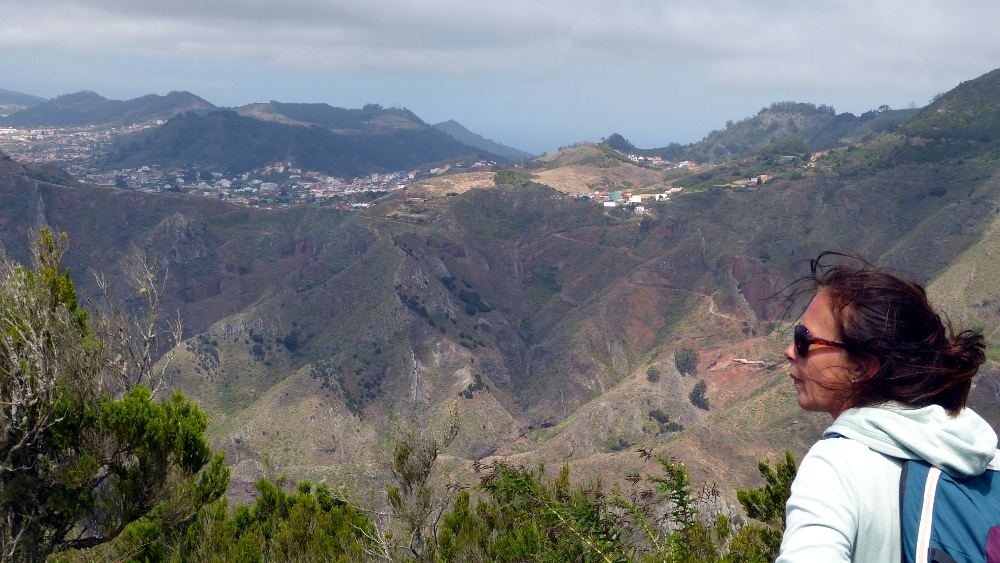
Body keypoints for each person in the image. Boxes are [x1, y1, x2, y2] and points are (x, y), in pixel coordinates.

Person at [776, 253, 1000, 563]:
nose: (790, 351)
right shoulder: (988, 462)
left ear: (862, 367)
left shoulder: (837, 466)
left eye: (804, 340)